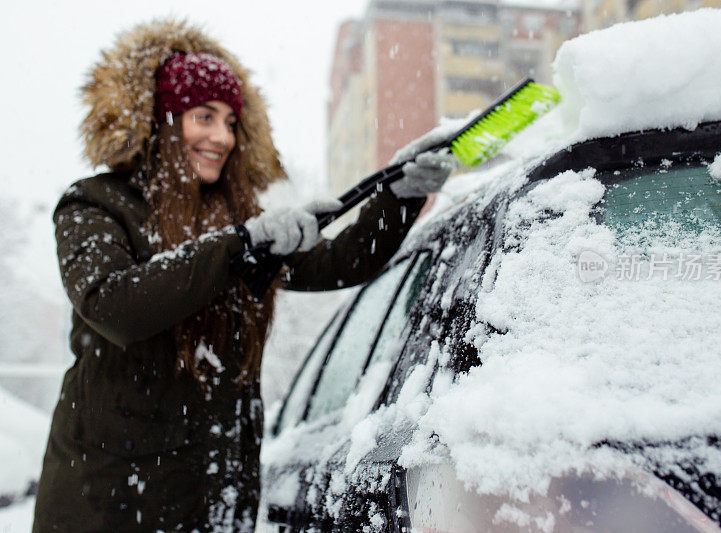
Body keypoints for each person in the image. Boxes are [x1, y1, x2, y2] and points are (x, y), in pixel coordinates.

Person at [33, 19, 455, 532]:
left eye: (232, 123)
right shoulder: (95, 205)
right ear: (160, 120)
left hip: (217, 500)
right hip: (112, 506)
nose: (221, 137)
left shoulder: (232, 222)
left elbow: (337, 262)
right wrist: (242, 244)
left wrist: (399, 195)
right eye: (204, 117)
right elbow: (114, 305)